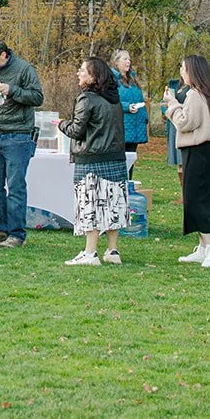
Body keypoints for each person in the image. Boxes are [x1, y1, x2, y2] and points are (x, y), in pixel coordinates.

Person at [0, 38, 45, 248]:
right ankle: (0, 229)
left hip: (18, 135)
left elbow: (38, 97)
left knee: (16, 187)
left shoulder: (24, 69)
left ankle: (17, 234)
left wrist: (12, 90)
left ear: (3, 55)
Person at [61, 56, 130, 266]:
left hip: (91, 159)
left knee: (90, 204)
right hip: (116, 158)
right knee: (113, 203)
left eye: (82, 70)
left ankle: (90, 253)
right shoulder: (114, 98)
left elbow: (76, 130)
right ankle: (112, 250)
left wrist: (62, 124)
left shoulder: (86, 99)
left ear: (93, 77)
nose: (78, 73)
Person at [164, 55, 210, 267]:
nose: (181, 72)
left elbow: (185, 122)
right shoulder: (208, 94)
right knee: (196, 197)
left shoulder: (195, 96)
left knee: (198, 199)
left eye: (183, 68)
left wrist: (172, 105)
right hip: (202, 151)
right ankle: (203, 247)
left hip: (198, 151)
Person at [112, 50, 149, 169]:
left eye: (129, 59)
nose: (128, 61)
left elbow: (140, 100)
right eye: (125, 59)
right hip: (122, 127)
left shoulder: (133, 80)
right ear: (116, 62)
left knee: (131, 162)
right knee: (121, 163)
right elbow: (111, 101)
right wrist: (127, 107)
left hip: (135, 127)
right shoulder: (112, 80)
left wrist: (144, 118)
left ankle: (129, 185)